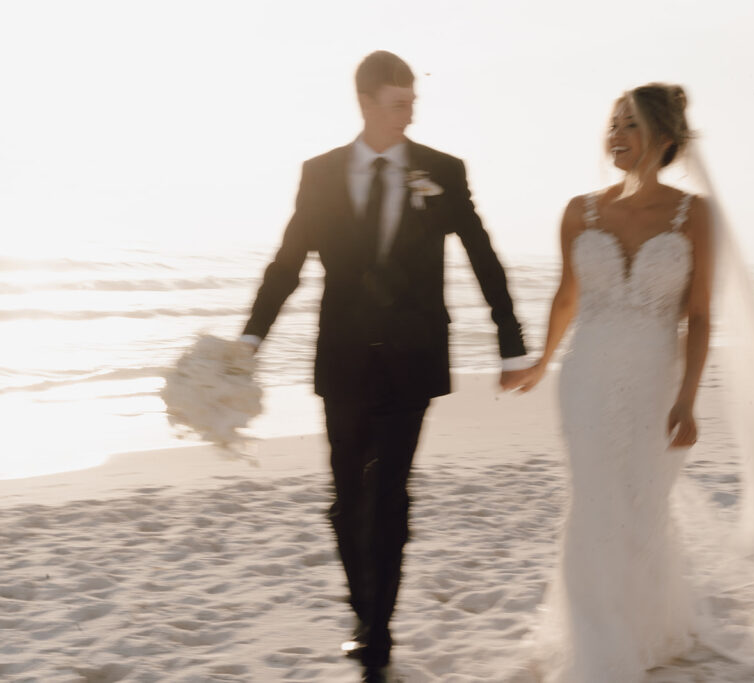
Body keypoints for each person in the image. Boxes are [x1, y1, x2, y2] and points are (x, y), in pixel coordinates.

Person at [240, 51, 530, 682]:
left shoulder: (442, 171)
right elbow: (287, 264)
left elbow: (484, 255)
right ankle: (361, 608)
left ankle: (378, 632)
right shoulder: (320, 174)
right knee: (345, 500)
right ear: (367, 102)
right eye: (398, 104)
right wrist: (249, 342)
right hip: (341, 356)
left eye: (413, 104)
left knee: (389, 494)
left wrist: (510, 338)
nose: (409, 115)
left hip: (413, 358)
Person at [512, 84, 754, 681]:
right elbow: (568, 295)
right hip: (586, 375)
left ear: (665, 139)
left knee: (642, 505)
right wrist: (542, 360)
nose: (616, 135)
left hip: (654, 379)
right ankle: (597, 644)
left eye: (631, 125)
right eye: (613, 124)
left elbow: (698, 314)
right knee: (593, 504)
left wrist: (687, 398)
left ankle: (645, 628)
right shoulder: (578, 211)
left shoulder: (693, 215)